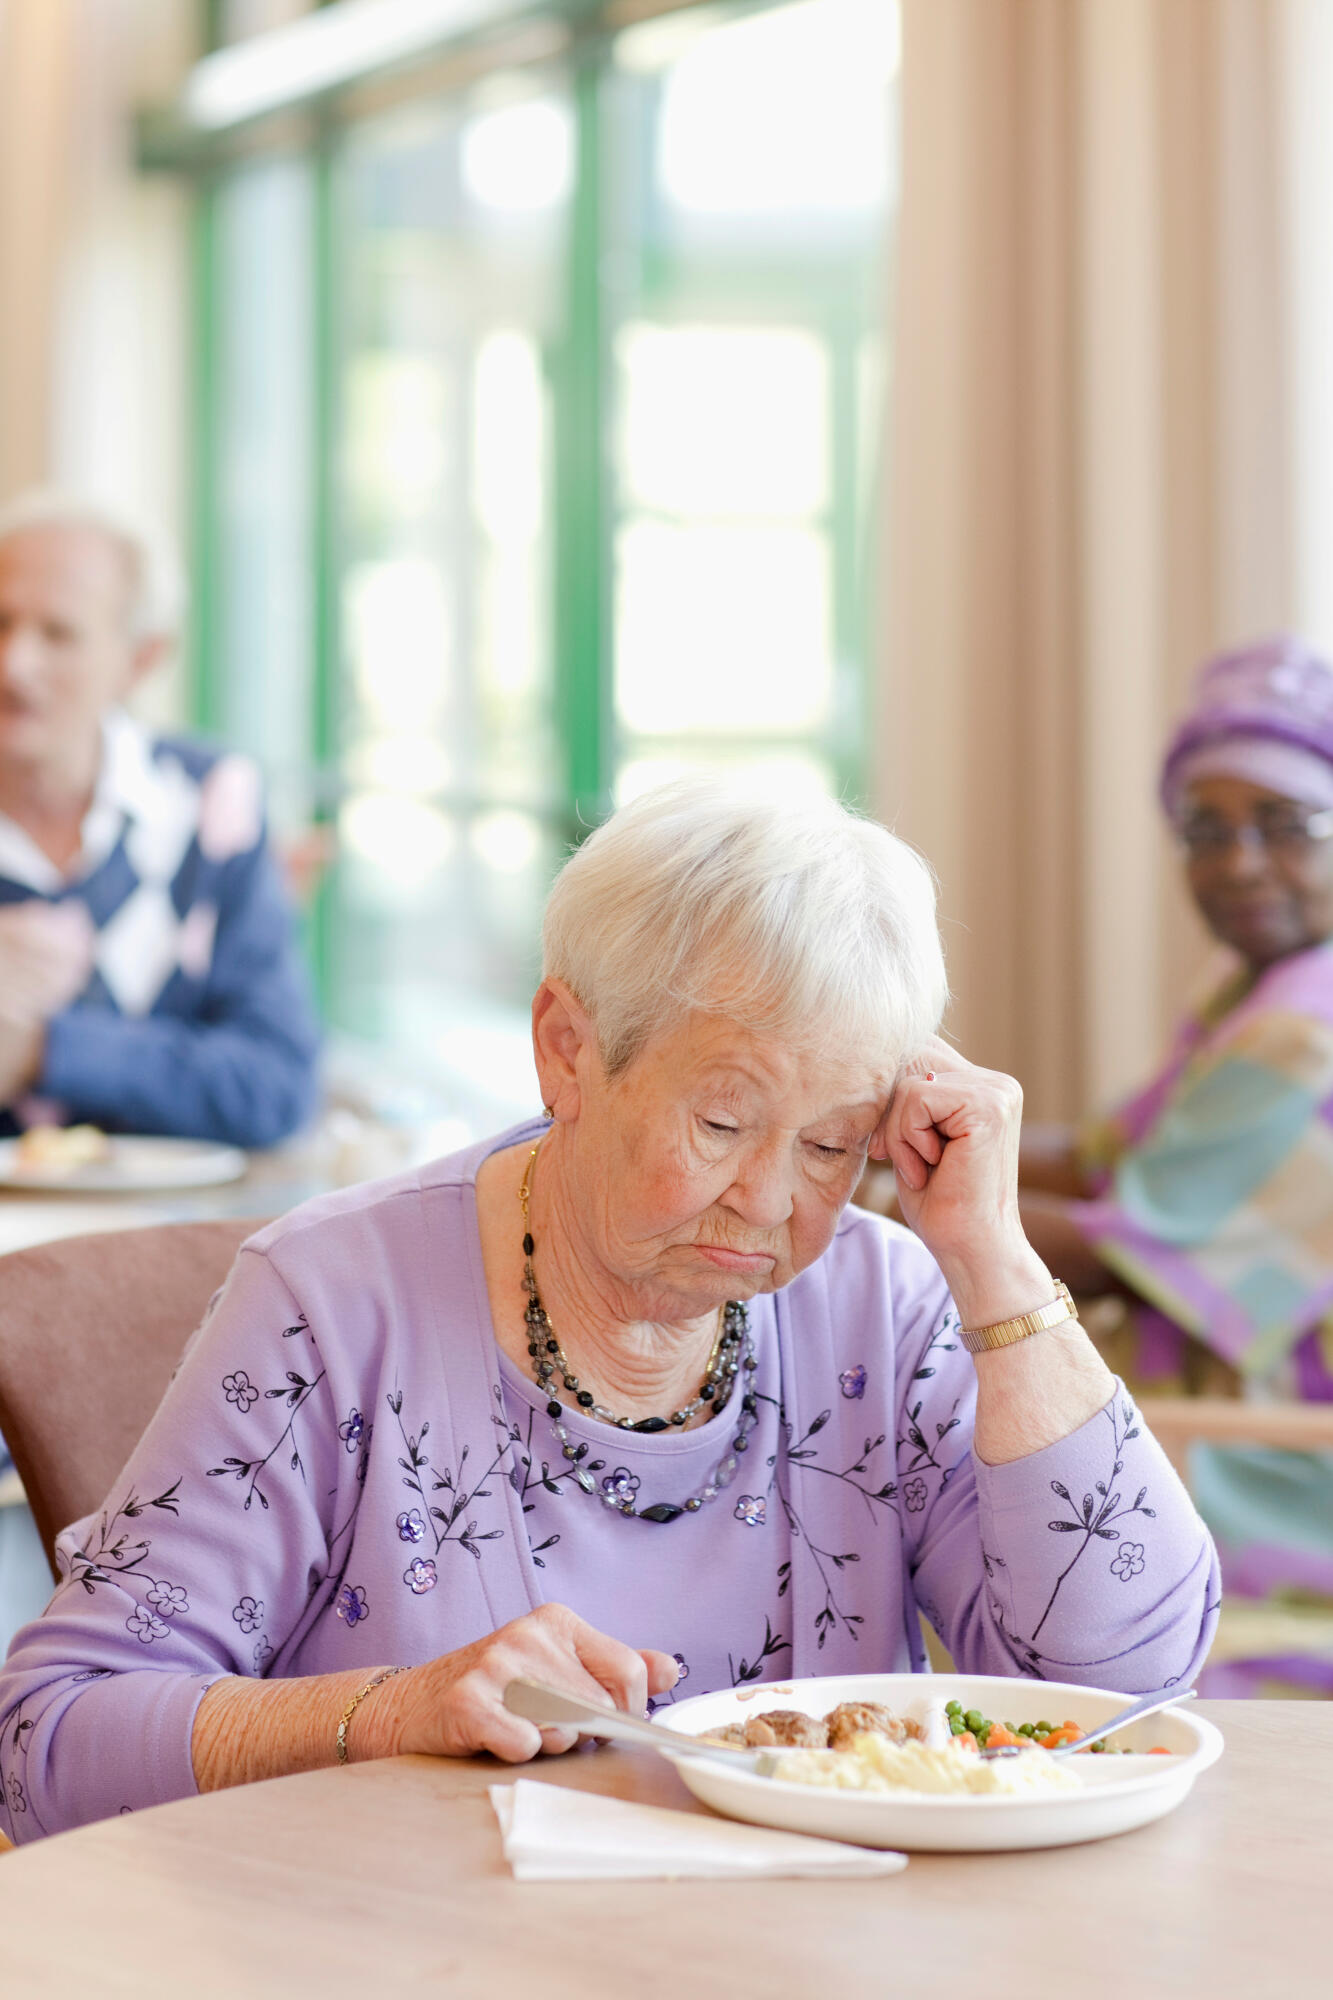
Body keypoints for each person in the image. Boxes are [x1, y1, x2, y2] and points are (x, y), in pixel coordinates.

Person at [0, 778, 1218, 1843]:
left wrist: (994, 1260)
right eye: (722, 1121)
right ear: (567, 1049)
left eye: (834, 1141)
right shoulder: (332, 1308)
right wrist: (393, 1709)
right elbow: (50, 1741)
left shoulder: (882, 1305)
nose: (769, 1198)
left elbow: (1125, 1694)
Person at [1017, 636, 1333, 1692]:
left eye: (1285, 825)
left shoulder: (1305, 1026)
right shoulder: (1251, 985)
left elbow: (1131, 1246)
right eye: (1205, 831)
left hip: (1273, 1468)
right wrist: (892, 1115)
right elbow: (1107, 1159)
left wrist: (872, 1201)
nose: (1238, 861)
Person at [0, 489, 321, 1148]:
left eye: (57, 633)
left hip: (155, 1236)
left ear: (141, 658)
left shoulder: (211, 802)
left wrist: (44, 1047)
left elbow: (273, 1085)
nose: (14, 664)